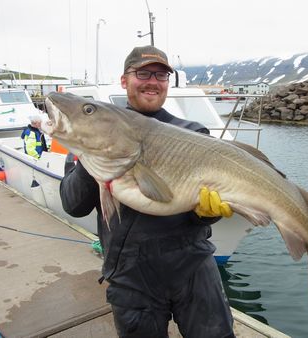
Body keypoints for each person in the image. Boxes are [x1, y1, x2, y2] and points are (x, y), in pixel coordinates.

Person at [60, 45, 235, 338]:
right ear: (124, 80)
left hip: (192, 266)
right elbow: (73, 205)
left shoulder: (193, 134)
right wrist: (93, 155)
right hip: (131, 276)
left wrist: (208, 215)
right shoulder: (89, 134)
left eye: (161, 75)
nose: (152, 81)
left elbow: (202, 210)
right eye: (143, 73)